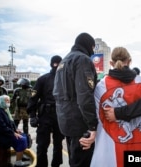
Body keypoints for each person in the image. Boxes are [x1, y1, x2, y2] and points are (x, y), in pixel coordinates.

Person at [90, 47, 141, 167]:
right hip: (139, 142)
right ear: (130, 61)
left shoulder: (101, 86)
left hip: (112, 143)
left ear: (111, 63)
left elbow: (97, 117)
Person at [53, 32, 98, 167]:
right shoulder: (82, 60)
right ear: (89, 45)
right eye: (93, 48)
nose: (93, 51)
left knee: (74, 160)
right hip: (80, 124)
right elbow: (84, 96)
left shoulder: (64, 61)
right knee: (82, 162)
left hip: (66, 121)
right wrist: (92, 126)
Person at [27, 55, 64, 167]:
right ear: (51, 64)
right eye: (55, 63)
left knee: (58, 144)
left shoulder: (65, 80)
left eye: (58, 63)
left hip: (60, 116)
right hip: (45, 116)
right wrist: (32, 116)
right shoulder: (43, 79)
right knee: (42, 145)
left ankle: (56, 165)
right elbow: (33, 98)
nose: (56, 65)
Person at [0, 95, 30, 167]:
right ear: (1, 101)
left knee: (25, 136)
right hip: (3, 135)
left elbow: (11, 122)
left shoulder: (5, 110)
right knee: (21, 140)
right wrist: (13, 133)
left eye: (9, 101)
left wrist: (16, 129)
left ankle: (20, 156)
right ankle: (18, 163)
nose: (8, 102)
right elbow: (2, 127)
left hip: (8, 133)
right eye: (6, 101)